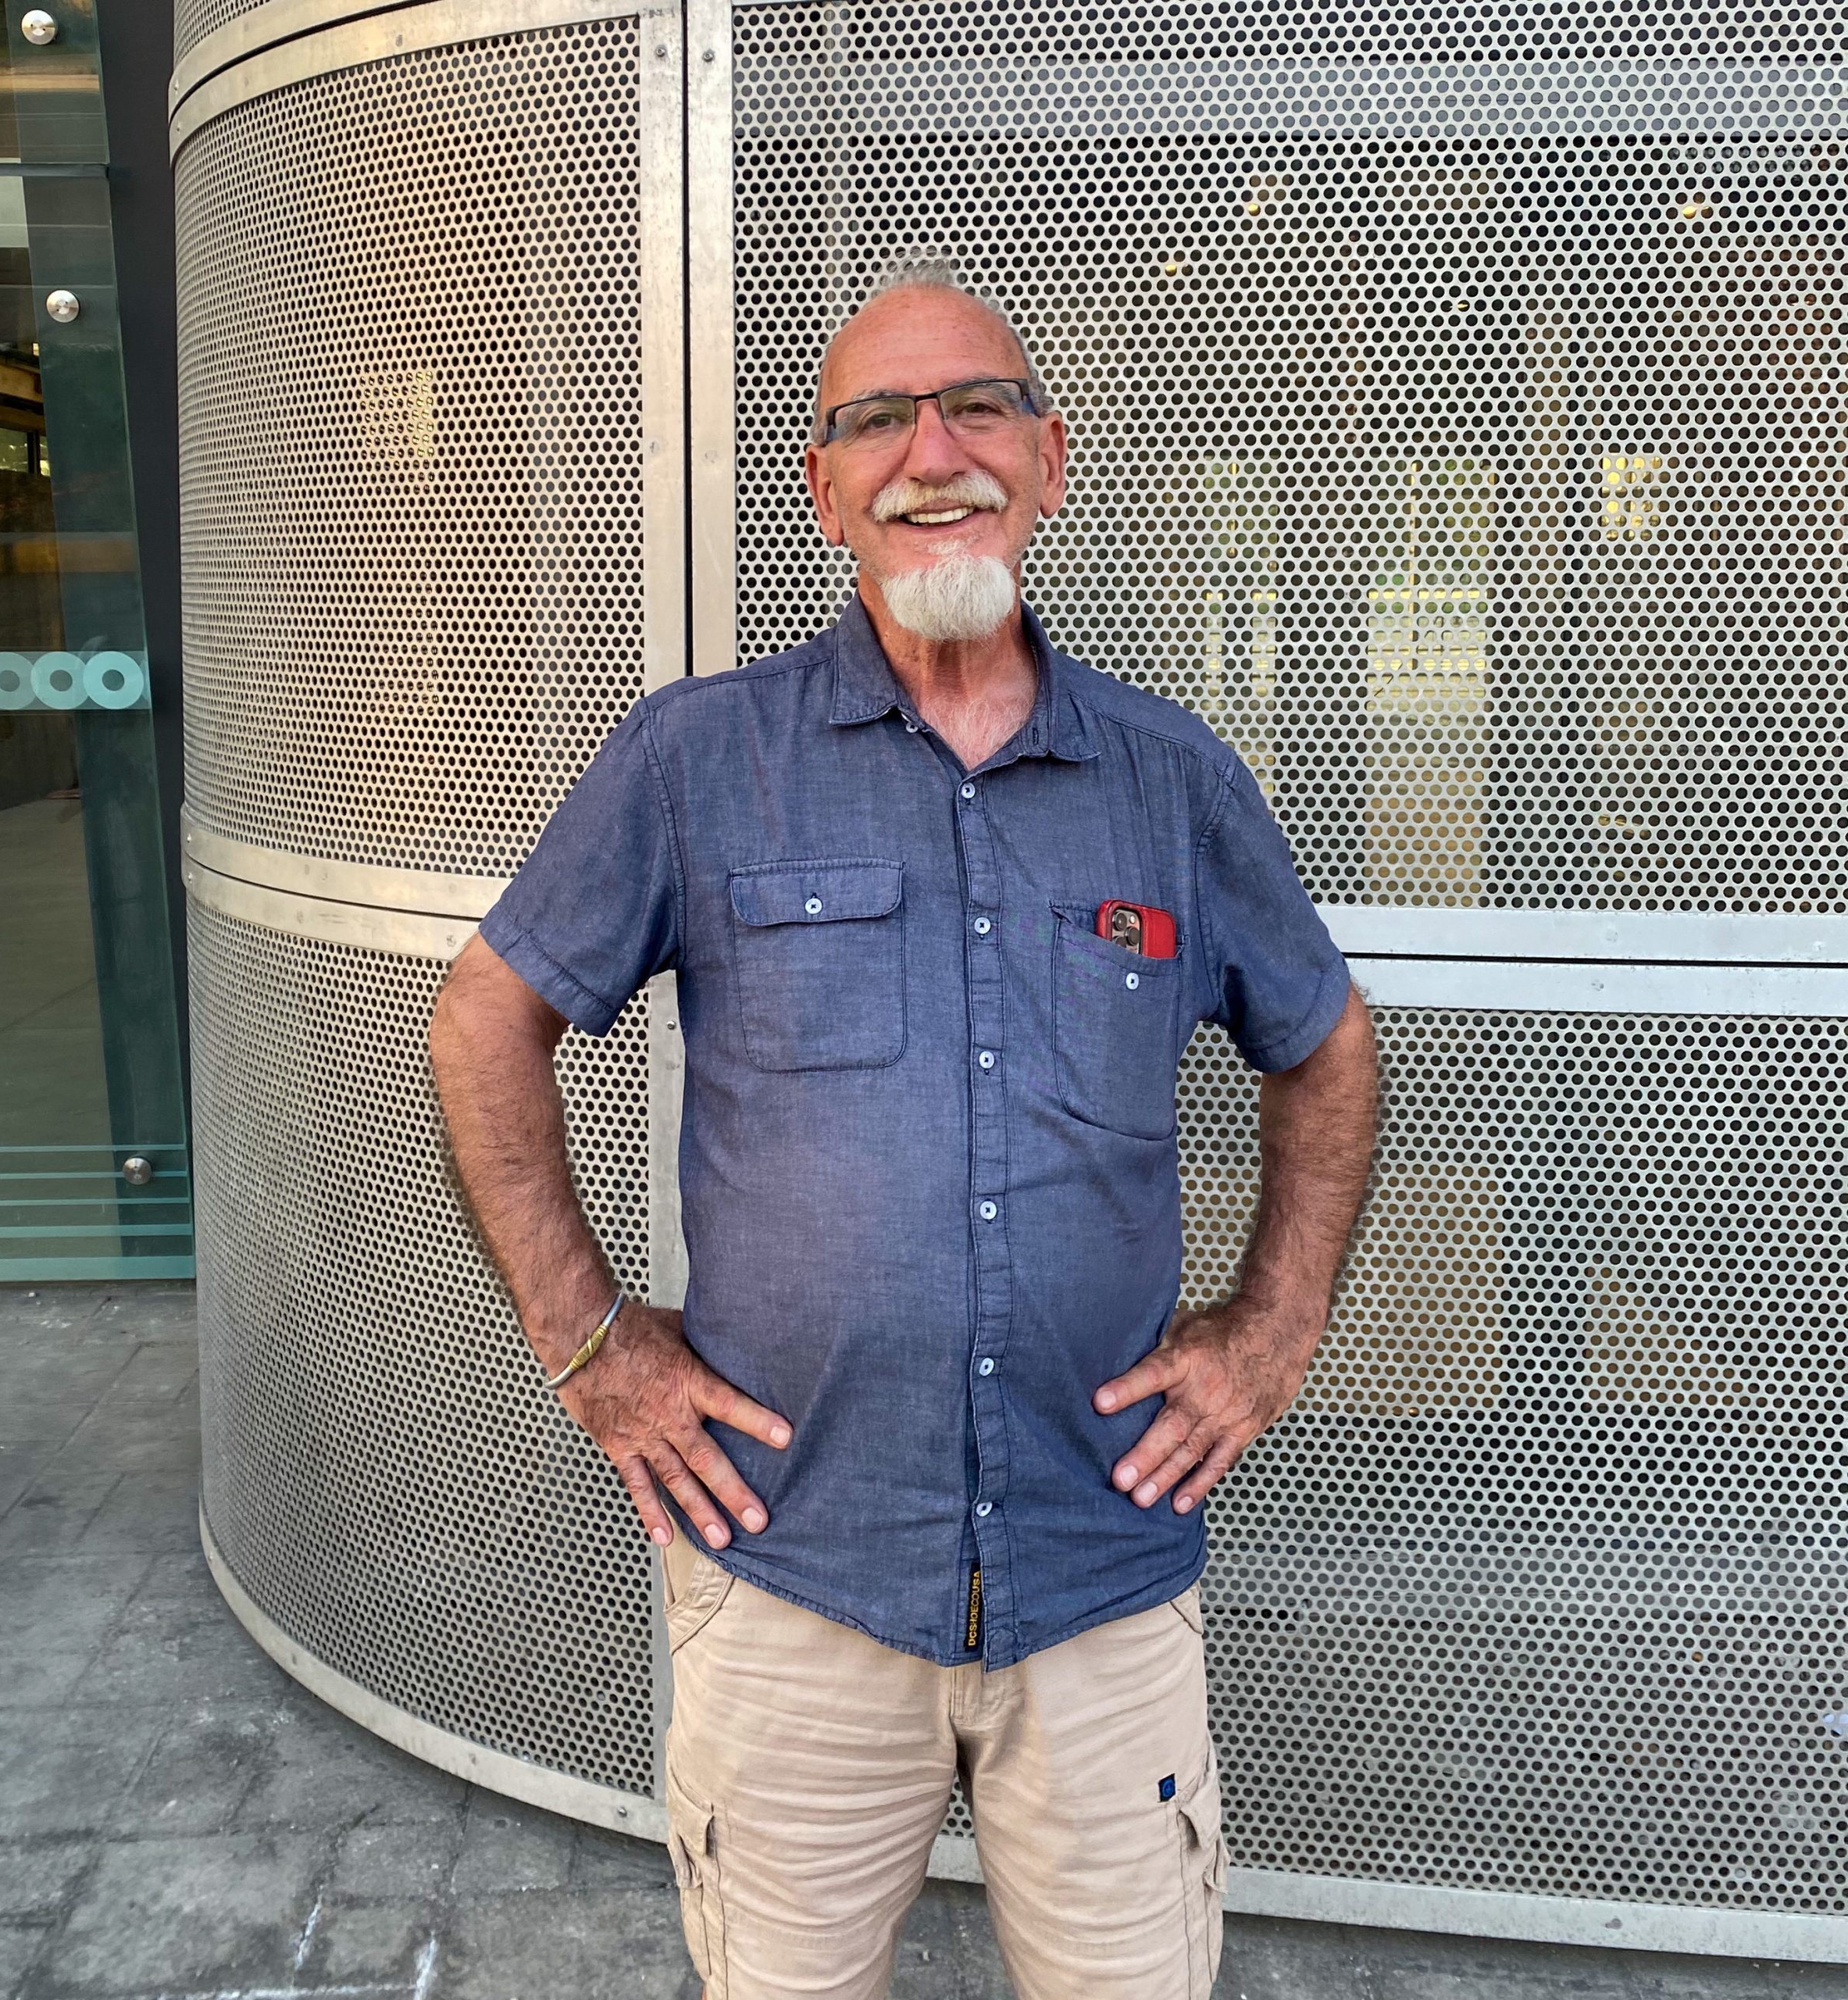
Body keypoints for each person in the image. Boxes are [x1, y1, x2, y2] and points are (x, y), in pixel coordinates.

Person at [429, 255, 1379, 2000]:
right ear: (823, 488)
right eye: (874, 418)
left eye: (974, 406)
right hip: (794, 1569)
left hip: (1099, 1567)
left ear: (1049, 457)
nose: (927, 449)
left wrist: (1272, 1327)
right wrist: (590, 1343)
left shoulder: (1172, 782)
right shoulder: (698, 759)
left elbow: (1322, 1047)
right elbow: (485, 1018)